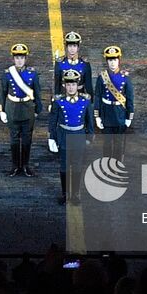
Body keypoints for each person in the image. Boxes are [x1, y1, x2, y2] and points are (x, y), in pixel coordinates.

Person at [48, 68, 93, 204]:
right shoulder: (58, 101)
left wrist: (89, 137)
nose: (71, 87)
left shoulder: (85, 102)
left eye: (73, 84)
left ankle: (75, 193)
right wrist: (52, 137)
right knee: (64, 167)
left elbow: (89, 121)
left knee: (77, 166)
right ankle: (65, 193)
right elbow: (53, 121)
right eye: (68, 84)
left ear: (78, 85)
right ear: (64, 86)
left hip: (78, 136)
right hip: (64, 136)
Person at [0, 42, 41, 176]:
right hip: (12, 108)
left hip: (27, 109)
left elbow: (37, 93)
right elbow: (3, 93)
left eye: (22, 58)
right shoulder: (7, 74)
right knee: (14, 139)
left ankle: (26, 165)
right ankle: (15, 165)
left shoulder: (32, 74)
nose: (19, 60)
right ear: (13, 59)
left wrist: (37, 109)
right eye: (17, 58)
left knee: (27, 139)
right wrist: (2, 110)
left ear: (25, 59)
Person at [94, 46, 134, 162]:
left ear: (119, 60)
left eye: (115, 60)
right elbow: (97, 96)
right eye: (110, 60)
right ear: (107, 61)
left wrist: (129, 116)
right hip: (106, 112)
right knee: (106, 143)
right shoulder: (102, 77)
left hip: (120, 113)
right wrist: (97, 116)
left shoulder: (125, 78)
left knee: (118, 143)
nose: (113, 63)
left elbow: (130, 99)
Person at [55, 32, 94, 99]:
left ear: (78, 47)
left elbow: (88, 85)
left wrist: (91, 102)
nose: (72, 49)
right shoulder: (60, 63)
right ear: (66, 47)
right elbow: (57, 85)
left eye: (74, 46)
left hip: (80, 97)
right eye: (70, 46)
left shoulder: (85, 64)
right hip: (64, 96)